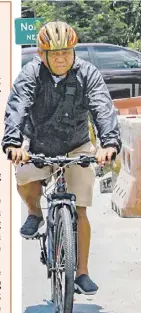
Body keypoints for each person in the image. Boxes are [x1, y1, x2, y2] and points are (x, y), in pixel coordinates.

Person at [1, 21, 121, 295]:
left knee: (80, 209)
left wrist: (109, 143)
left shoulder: (87, 73)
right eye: (53, 53)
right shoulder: (31, 73)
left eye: (66, 52)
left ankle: (81, 273)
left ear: (74, 51)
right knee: (24, 175)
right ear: (41, 54)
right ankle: (34, 212)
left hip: (76, 145)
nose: (60, 58)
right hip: (39, 143)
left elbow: (102, 107)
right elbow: (18, 106)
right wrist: (14, 142)